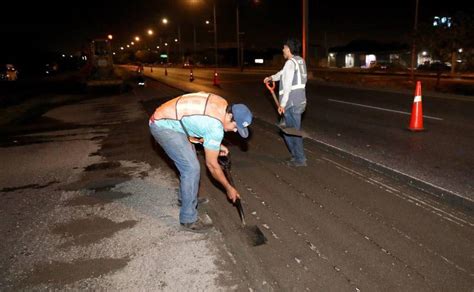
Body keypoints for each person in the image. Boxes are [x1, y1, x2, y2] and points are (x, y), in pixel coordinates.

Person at [149, 92, 253, 233]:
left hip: (173, 120)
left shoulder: (222, 104)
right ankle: (188, 218)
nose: (234, 131)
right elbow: (212, 165)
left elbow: (197, 123)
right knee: (191, 168)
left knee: (189, 161)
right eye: (235, 127)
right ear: (229, 116)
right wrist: (228, 188)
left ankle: (185, 198)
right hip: (163, 126)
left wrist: (215, 145)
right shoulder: (215, 127)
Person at [263, 38, 307, 167]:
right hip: (300, 101)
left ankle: (299, 158)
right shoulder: (299, 61)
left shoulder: (290, 63)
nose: (282, 50)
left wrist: (282, 104)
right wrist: (271, 78)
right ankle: (297, 156)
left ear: (288, 49)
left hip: (291, 103)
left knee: (290, 130)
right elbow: (283, 74)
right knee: (291, 130)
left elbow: (287, 86)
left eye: (284, 48)